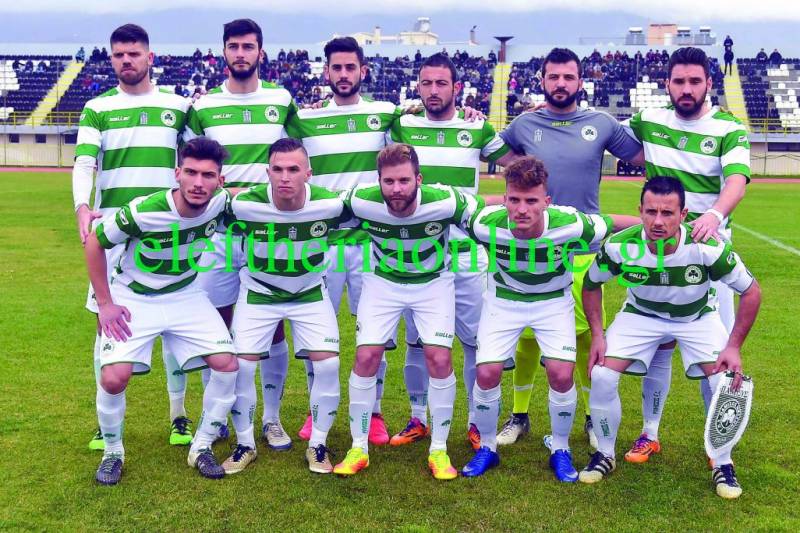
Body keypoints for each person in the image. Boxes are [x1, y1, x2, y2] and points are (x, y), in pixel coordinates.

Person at [495, 47, 644, 449]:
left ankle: (593, 418)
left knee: (583, 338)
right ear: (542, 80)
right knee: (527, 339)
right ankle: (519, 415)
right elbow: (492, 151)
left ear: (580, 81)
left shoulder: (602, 123)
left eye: (568, 77)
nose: (561, 84)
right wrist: (474, 116)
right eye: (553, 77)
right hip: (532, 250)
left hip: (581, 250)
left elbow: (645, 156)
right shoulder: (524, 124)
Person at [578, 176, 761, 500]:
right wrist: (597, 335)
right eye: (651, 212)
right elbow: (591, 285)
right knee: (602, 375)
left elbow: (751, 291)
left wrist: (733, 346)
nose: (658, 221)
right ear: (640, 210)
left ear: (683, 214)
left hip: (696, 317)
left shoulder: (707, 246)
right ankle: (604, 453)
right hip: (641, 315)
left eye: (667, 213)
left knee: (725, 382)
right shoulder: (619, 245)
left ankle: (723, 462)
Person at [460, 156, 639, 481]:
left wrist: (663, 227)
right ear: (504, 199)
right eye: (515, 200)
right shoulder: (484, 223)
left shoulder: (570, 223)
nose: (522, 209)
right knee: (486, 372)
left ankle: (560, 448)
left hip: (553, 302)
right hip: (503, 301)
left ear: (546, 201)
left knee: (560, 373)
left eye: (531, 201)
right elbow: (451, 212)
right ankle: (487, 447)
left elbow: (611, 222)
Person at [87, 137, 241, 485]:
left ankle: (201, 446)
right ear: (177, 173)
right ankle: (113, 452)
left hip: (186, 295)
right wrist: (105, 303)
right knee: (113, 377)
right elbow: (95, 241)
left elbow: (252, 196)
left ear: (220, 180)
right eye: (191, 173)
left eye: (208, 175)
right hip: (135, 296)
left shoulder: (221, 203)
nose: (198, 183)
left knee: (227, 365)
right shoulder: (143, 211)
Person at [625, 46, 750, 464]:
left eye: (695, 81)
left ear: (709, 83)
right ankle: (649, 433)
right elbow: (602, 134)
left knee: (716, 358)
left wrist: (714, 215)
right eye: (679, 81)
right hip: (660, 256)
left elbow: (736, 180)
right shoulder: (649, 120)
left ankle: (718, 447)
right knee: (659, 346)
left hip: (710, 262)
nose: (686, 88)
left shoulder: (729, 128)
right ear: (667, 84)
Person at [73, 24, 193, 452]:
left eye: (134, 53)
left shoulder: (178, 106)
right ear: (112, 59)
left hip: (167, 232)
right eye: (119, 55)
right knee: (105, 322)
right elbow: (85, 162)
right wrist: (81, 205)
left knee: (172, 325)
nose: (127, 60)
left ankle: (179, 415)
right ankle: (104, 424)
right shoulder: (97, 107)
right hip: (112, 233)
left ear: (150, 57)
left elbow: (197, 160)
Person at [387, 53, 516, 451]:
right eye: (426, 83)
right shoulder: (403, 124)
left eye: (441, 83)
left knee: (476, 342)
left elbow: (515, 165)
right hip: (417, 254)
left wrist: (499, 204)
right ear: (418, 87)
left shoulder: (476, 127)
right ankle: (418, 417)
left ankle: (477, 422)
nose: (433, 90)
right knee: (417, 343)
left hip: (466, 254)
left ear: (456, 88)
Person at [333, 144, 482, 480]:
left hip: (433, 283)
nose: (396, 189)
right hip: (383, 283)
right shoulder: (360, 199)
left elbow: (485, 216)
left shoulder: (446, 201)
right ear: (378, 181)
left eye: (404, 180)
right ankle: (358, 447)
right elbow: (318, 207)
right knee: (366, 356)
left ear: (419, 179)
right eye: (388, 182)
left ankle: (439, 450)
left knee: (439, 358)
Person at [185, 18, 295, 450]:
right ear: (224, 52)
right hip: (218, 235)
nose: (241, 53)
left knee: (274, 325)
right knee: (215, 324)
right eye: (233, 46)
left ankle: (272, 418)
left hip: (269, 233)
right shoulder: (204, 106)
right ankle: (218, 416)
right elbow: (191, 163)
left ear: (260, 53)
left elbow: (300, 155)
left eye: (248, 46)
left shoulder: (281, 100)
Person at [285, 36, 400, 445]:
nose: (344, 74)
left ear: (363, 70)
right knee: (316, 331)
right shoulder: (305, 119)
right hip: (322, 243)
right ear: (327, 71)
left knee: (375, 332)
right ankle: (316, 409)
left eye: (351, 67)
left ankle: (375, 412)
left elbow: (425, 121)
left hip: (372, 243)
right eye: (337, 67)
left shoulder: (385, 114)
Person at [221, 139, 349, 475]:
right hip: (259, 292)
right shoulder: (244, 205)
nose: (285, 177)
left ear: (309, 173)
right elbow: (202, 202)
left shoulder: (331, 204)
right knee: (242, 367)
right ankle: (245, 444)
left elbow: (379, 205)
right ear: (267, 173)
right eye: (277, 169)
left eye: (293, 169)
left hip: (309, 293)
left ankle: (318, 445)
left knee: (328, 365)